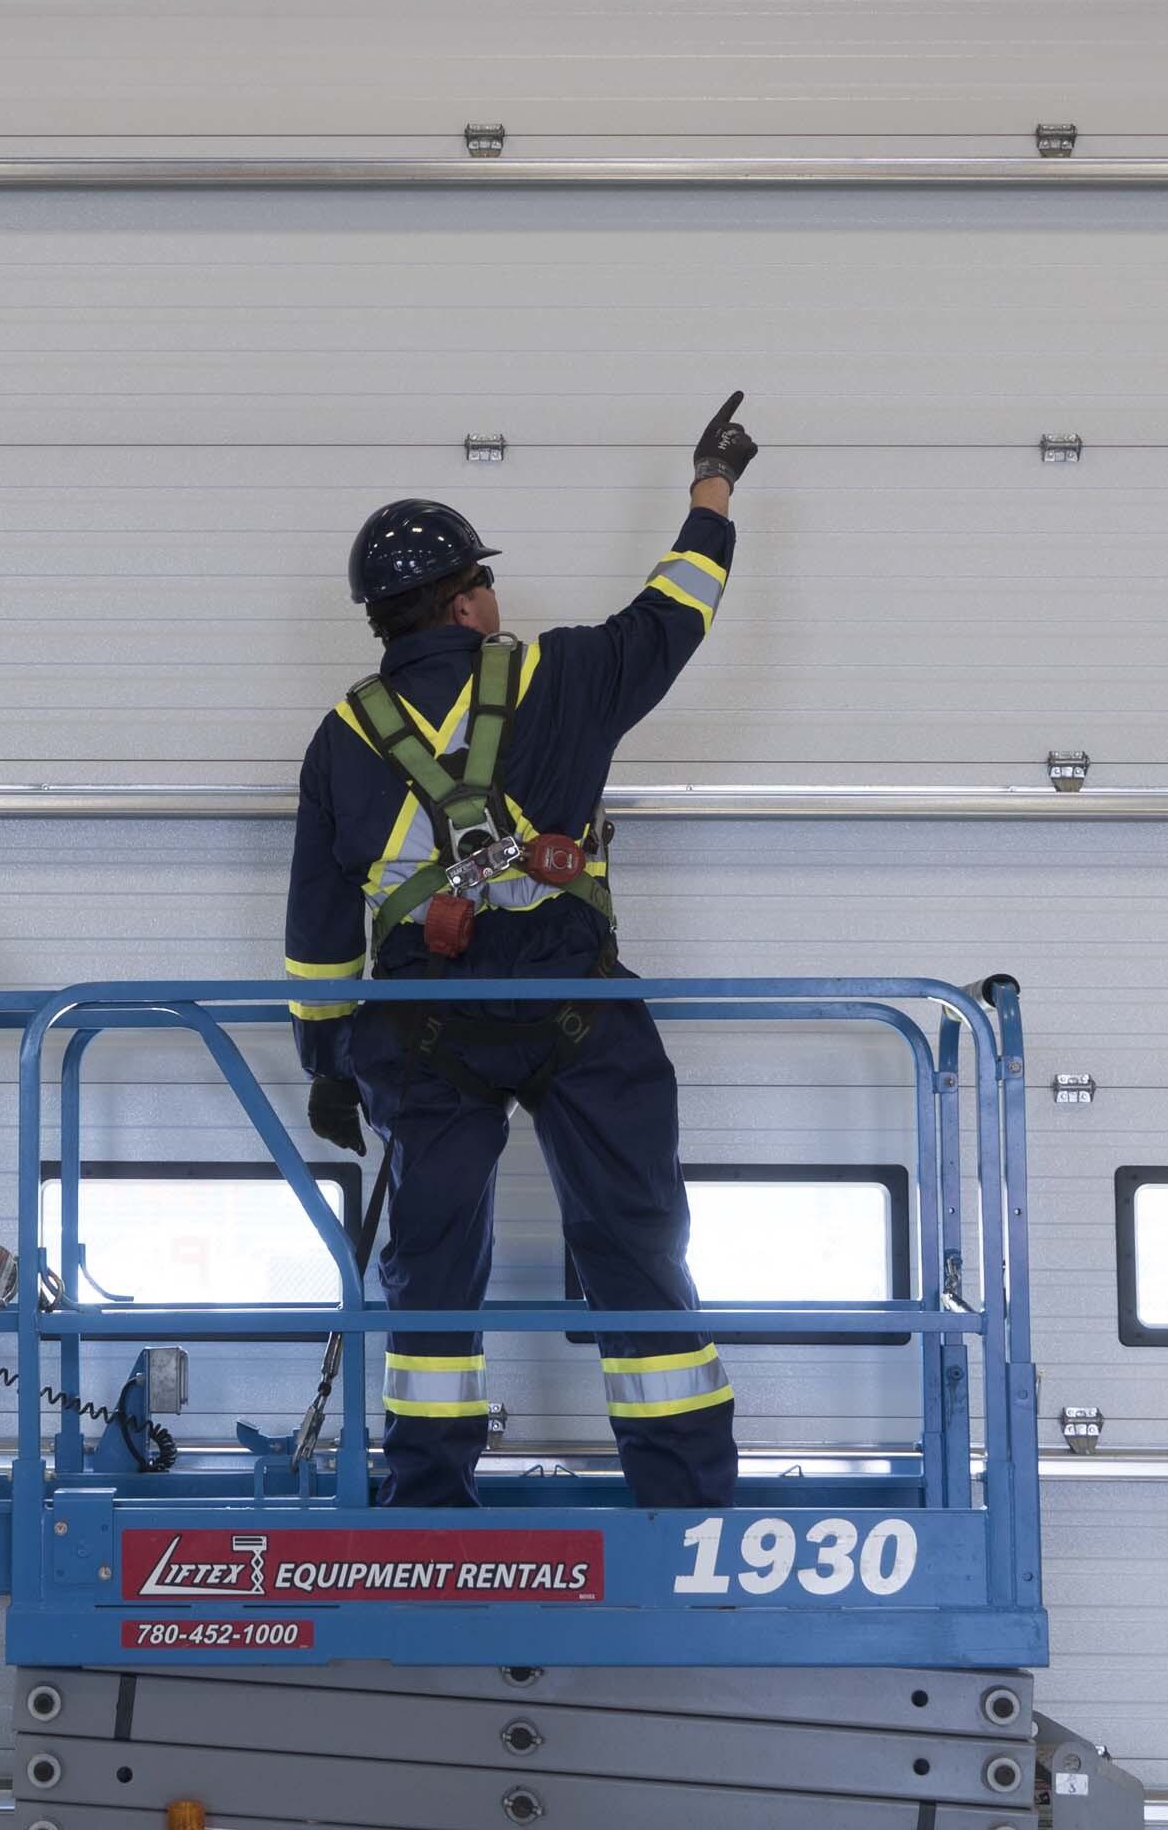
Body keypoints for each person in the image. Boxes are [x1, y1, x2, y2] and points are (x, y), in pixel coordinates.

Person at [282, 395, 757, 1509]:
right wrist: (714, 486)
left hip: (419, 1032)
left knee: (431, 1265)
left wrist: (325, 1061)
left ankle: (429, 1494)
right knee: (634, 1235)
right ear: (466, 598)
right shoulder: (565, 673)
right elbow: (678, 608)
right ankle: (684, 1489)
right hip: (571, 1008)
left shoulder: (342, 736)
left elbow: (315, 930)